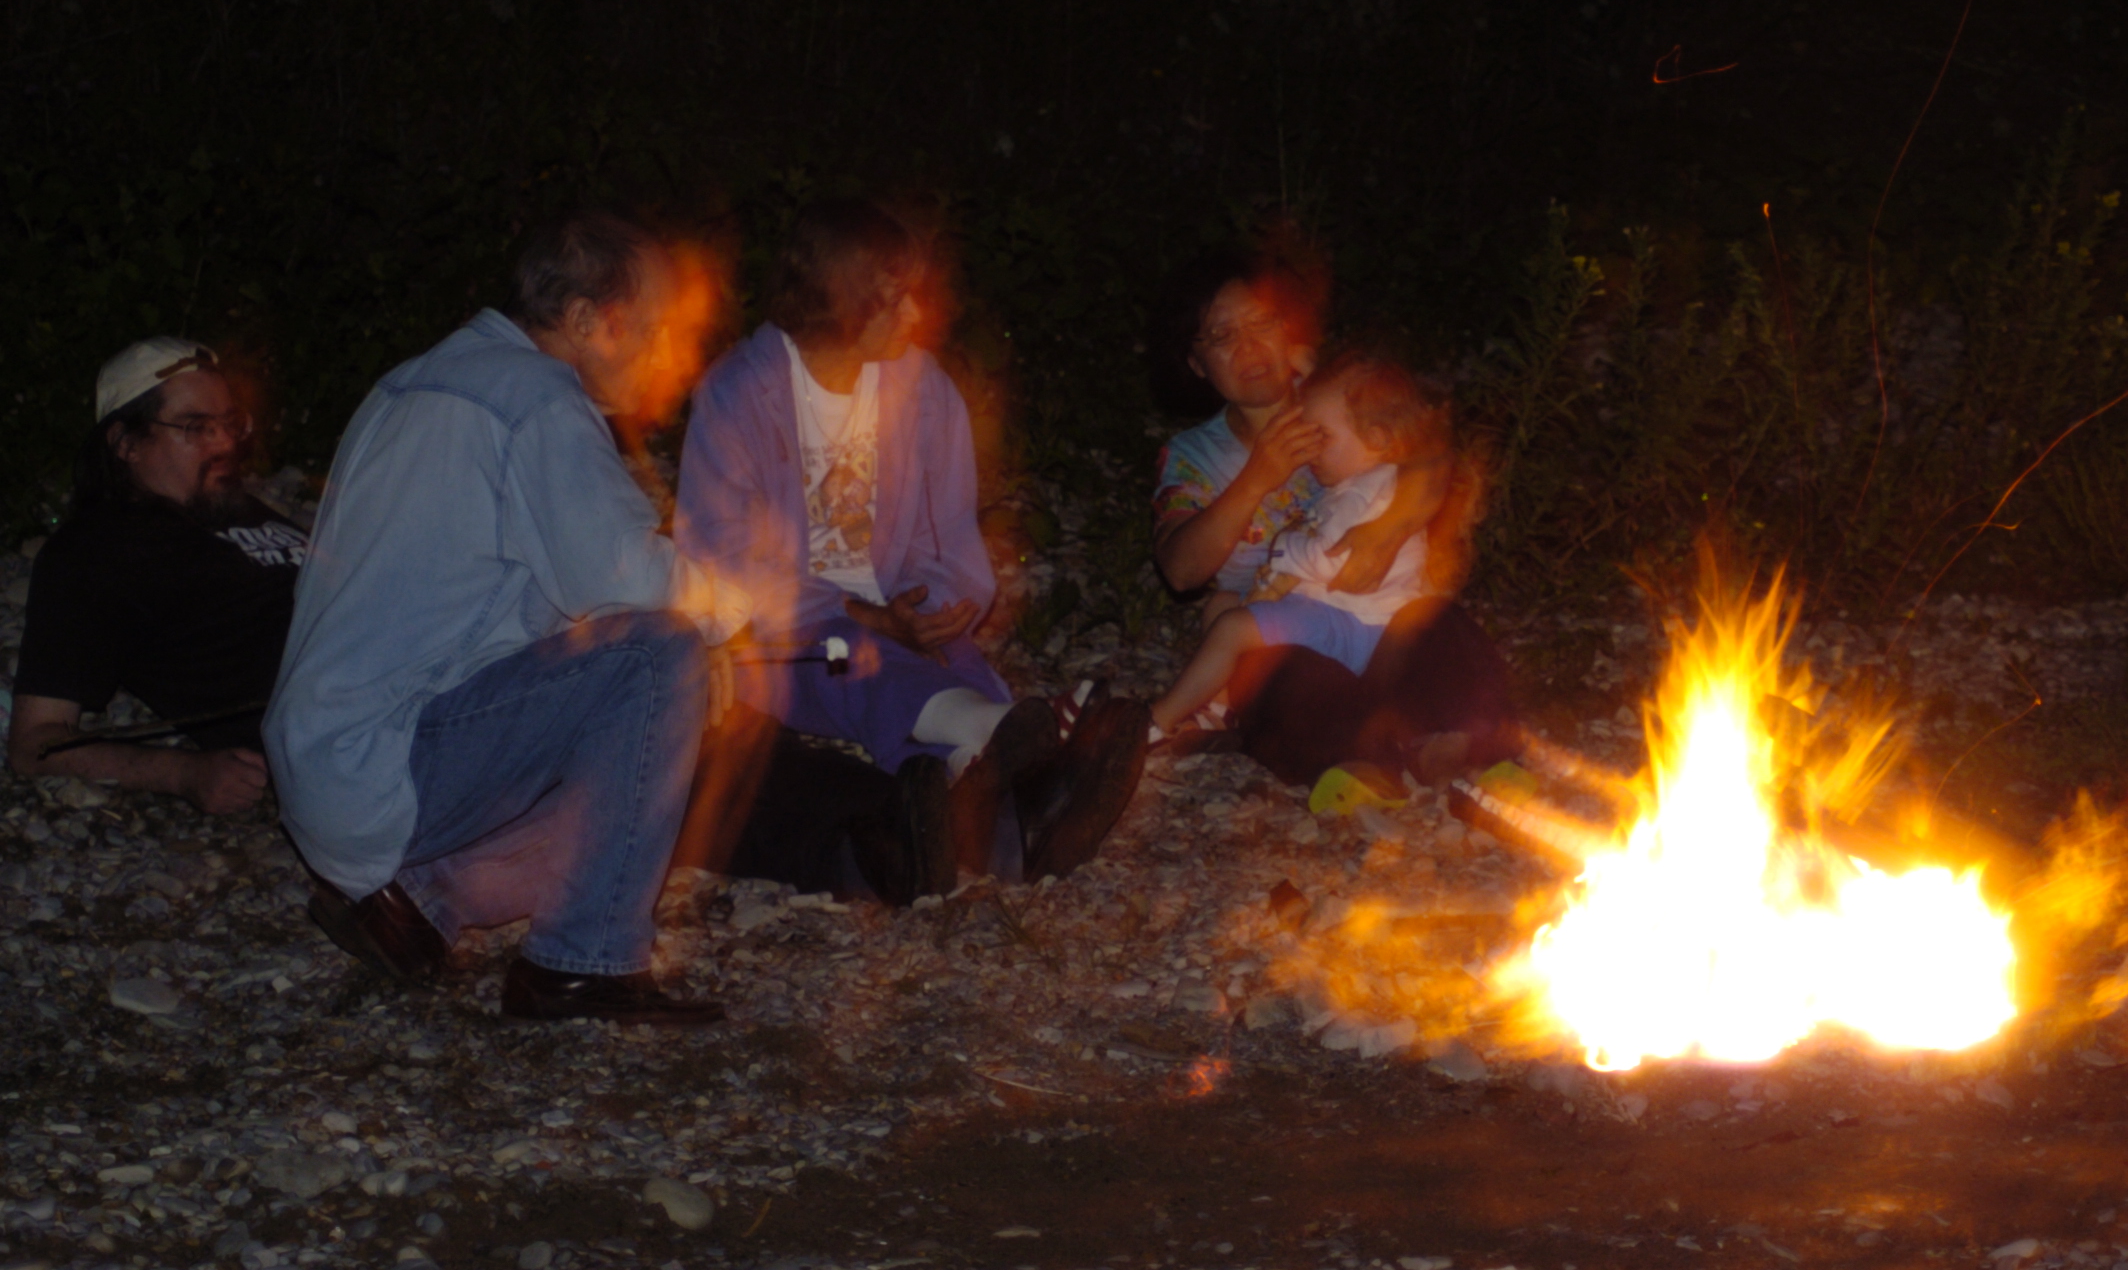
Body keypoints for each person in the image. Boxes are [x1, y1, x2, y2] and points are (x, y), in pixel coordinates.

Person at [266, 213, 740, 1025]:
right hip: (387, 760)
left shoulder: (419, 378)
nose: (665, 350)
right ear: (585, 320)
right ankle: (581, 964)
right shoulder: (536, 397)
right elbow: (629, 582)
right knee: (657, 658)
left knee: (638, 740)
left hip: (326, 766)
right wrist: (740, 609)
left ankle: (422, 901)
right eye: (653, 327)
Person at [675, 197, 1147, 901]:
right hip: (791, 632)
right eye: (894, 299)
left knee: (947, 662)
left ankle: (1014, 830)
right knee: (856, 660)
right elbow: (723, 557)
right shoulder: (739, 394)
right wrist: (862, 616)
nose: (915, 314)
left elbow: (948, 533)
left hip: (895, 616)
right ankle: (1022, 737)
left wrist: (932, 609)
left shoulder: (922, 389)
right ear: (841, 301)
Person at [1151, 254, 1519, 790]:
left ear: (1287, 329)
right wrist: (1258, 477)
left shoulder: (1337, 397)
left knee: (1442, 623)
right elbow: (1181, 571)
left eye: (1261, 323)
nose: (1249, 347)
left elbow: (1432, 453)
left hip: (1379, 625)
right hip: (1293, 635)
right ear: (1196, 362)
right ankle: (1359, 767)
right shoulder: (1193, 457)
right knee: (1281, 676)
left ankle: (1474, 751)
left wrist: (1386, 531)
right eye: (1222, 335)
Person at [7, 338, 299, 814]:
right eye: (196, 427)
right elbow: (34, 743)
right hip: (352, 727)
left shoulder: (235, 506)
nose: (225, 443)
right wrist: (183, 773)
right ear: (126, 444)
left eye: (230, 424)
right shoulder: (94, 553)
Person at [1151, 351, 1438, 733]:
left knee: (1232, 627)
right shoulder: (1355, 480)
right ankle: (1220, 712)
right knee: (1220, 605)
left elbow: (1331, 559)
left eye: (1323, 436)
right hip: (1332, 607)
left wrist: (1284, 548)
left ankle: (1157, 720)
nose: (1312, 448)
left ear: (1376, 439)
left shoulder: (1366, 491)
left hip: (1358, 625)